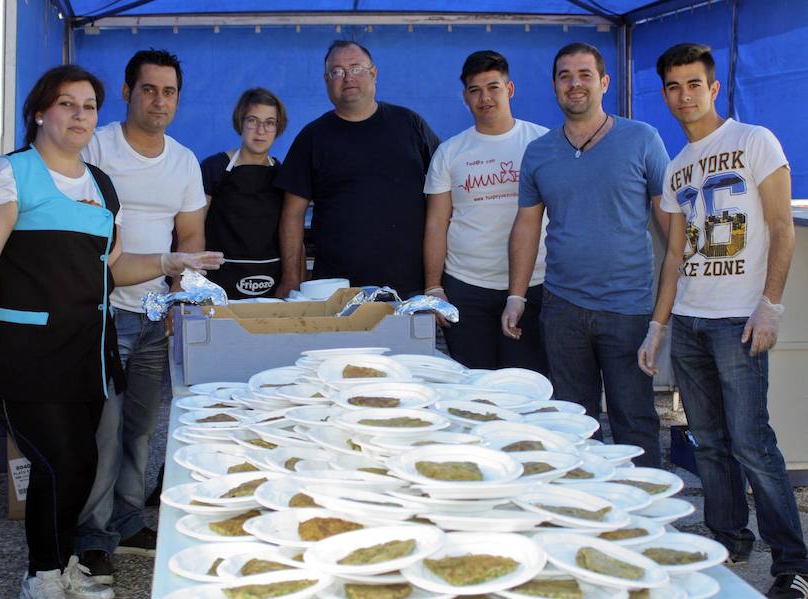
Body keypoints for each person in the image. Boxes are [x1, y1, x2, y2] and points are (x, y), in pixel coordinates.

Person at [0, 65, 222, 599]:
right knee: (63, 460)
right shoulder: (9, 174)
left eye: (88, 105)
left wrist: (168, 259)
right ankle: (42, 578)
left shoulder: (101, 186)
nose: (79, 115)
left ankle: (60, 564)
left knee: (79, 463)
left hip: (84, 355)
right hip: (20, 355)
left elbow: (111, 267)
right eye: (66, 104)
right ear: (40, 113)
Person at [640, 43, 808, 598]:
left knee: (752, 442)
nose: (683, 96)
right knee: (708, 440)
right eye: (672, 86)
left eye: (693, 84)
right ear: (663, 94)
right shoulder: (678, 166)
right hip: (689, 320)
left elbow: (782, 227)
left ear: (713, 89)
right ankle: (728, 535)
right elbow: (673, 255)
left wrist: (771, 305)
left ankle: (792, 562)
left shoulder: (754, 141)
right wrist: (658, 326)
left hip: (739, 320)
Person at [74, 49, 207, 582]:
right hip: (102, 313)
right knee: (103, 433)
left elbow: (191, 236)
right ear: (127, 92)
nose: (159, 100)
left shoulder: (183, 161)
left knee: (140, 429)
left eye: (169, 91)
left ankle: (128, 521)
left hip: (155, 316)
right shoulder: (96, 147)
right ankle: (92, 536)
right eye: (149, 89)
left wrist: (179, 295)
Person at [503, 42, 669, 466]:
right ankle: (585, 514)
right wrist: (516, 296)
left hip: (628, 309)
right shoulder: (539, 151)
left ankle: (644, 520)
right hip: (563, 309)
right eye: (564, 76)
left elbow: (673, 224)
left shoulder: (642, 139)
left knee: (634, 421)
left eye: (584, 75)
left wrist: (670, 307)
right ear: (555, 86)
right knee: (572, 420)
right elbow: (526, 225)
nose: (574, 84)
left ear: (604, 83)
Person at [275, 40, 440, 298]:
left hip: (410, 288)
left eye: (355, 68)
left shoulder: (410, 124)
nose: (347, 77)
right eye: (337, 72)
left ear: (373, 73)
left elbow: (444, 194)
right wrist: (291, 278)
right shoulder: (312, 138)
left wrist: (435, 282)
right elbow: (292, 216)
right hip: (336, 293)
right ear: (326, 80)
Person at [423, 50, 549, 372]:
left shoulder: (543, 144)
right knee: (473, 384)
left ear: (510, 89)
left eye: (493, 87)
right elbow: (437, 223)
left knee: (525, 385)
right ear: (464, 96)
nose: (485, 98)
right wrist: (434, 287)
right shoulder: (449, 152)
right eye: (475, 90)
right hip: (467, 287)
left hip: (535, 285)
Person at [200, 88, 288, 298]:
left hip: (270, 284)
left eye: (269, 123)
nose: (261, 130)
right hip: (220, 282)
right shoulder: (214, 168)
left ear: (278, 128)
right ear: (241, 122)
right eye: (252, 121)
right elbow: (194, 231)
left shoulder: (282, 174)